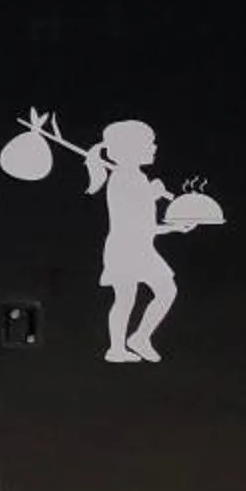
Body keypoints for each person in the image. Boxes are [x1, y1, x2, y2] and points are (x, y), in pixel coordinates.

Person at [88, 119, 178, 363]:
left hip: (139, 247)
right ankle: (118, 348)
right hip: (126, 248)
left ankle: (138, 338)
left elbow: (142, 216)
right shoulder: (124, 179)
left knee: (163, 291)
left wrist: (152, 195)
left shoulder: (134, 177)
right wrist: (172, 227)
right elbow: (138, 223)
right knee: (127, 298)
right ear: (129, 150)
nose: (154, 147)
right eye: (149, 143)